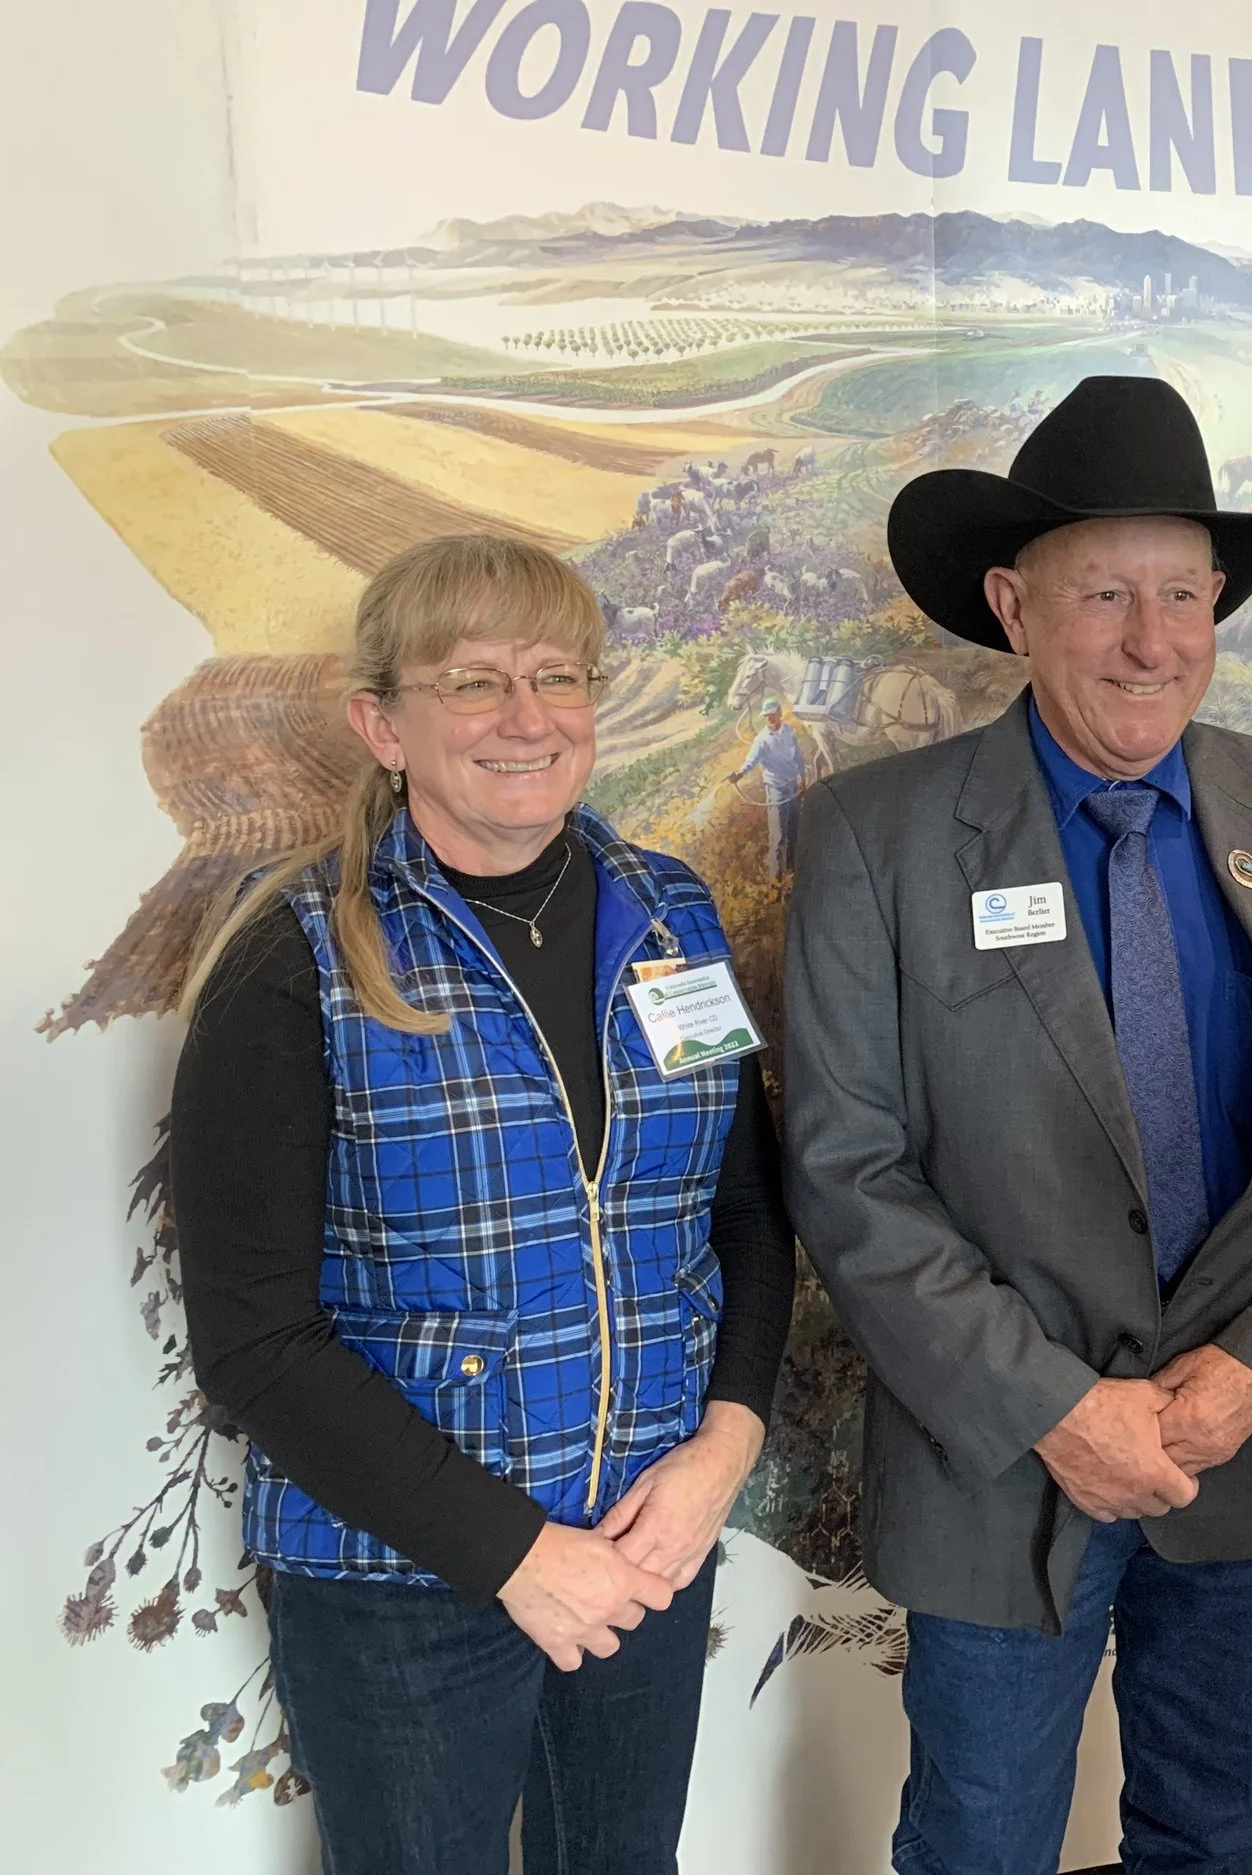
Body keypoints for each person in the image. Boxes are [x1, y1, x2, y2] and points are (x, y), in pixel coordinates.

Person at [784, 376, 1252, 1875]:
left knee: (1218, 1832)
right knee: (982, 1840)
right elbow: (847, 1166)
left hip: (1240, 1454)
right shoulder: (879, 838)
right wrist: (1061, 1406)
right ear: (1014, 603)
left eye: (1185, 594)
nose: (1154, 641)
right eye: (1108, 595)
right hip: (1003, 1462)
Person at [173, 534, 793, 1875]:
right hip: (403, 1581)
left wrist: (721, 1448)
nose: (525, 717)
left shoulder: (671, 915)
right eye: (472, 681)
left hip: (647, 1542)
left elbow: (743, 1211)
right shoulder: (297, 956)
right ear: (381, 721)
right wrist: (512, 1550)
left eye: (555, 674)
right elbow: (254, 1336)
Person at [727, 696, 809, 876]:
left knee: (794, 832)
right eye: (766, 716)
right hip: (776, 790)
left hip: (793, 788)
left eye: (772, 714)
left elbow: (798, 757)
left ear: (779, 714)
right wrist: (738, 775)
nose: (769, 718)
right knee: (778, 837)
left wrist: (802, 778)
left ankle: (793, 871)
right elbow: (750, 762)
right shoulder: (762, 740)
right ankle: (775, 879)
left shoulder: (789, 731)